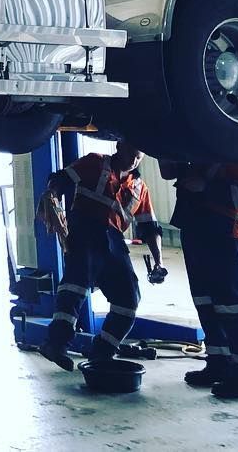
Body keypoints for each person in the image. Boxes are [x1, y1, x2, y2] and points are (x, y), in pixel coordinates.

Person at [35, 142, 166, 371]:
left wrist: (158, 262)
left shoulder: (140, 188)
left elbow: (150, 228)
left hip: (114, 240)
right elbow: (61, 179)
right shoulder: (95, 162)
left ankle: (102, 353)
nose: (135, 159)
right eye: (131, 152)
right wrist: (51, 195)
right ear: (119, 146)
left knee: (129, 298)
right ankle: (55, 344)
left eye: (139, 155)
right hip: (85, 230)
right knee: (76, 285)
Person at [162, 159, 238, 400]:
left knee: (235, 308)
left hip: (229, 235)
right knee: (206, 303)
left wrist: (205, 186)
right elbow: (169, 171)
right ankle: (219, 363)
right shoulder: (199, 151)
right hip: (198, 231)